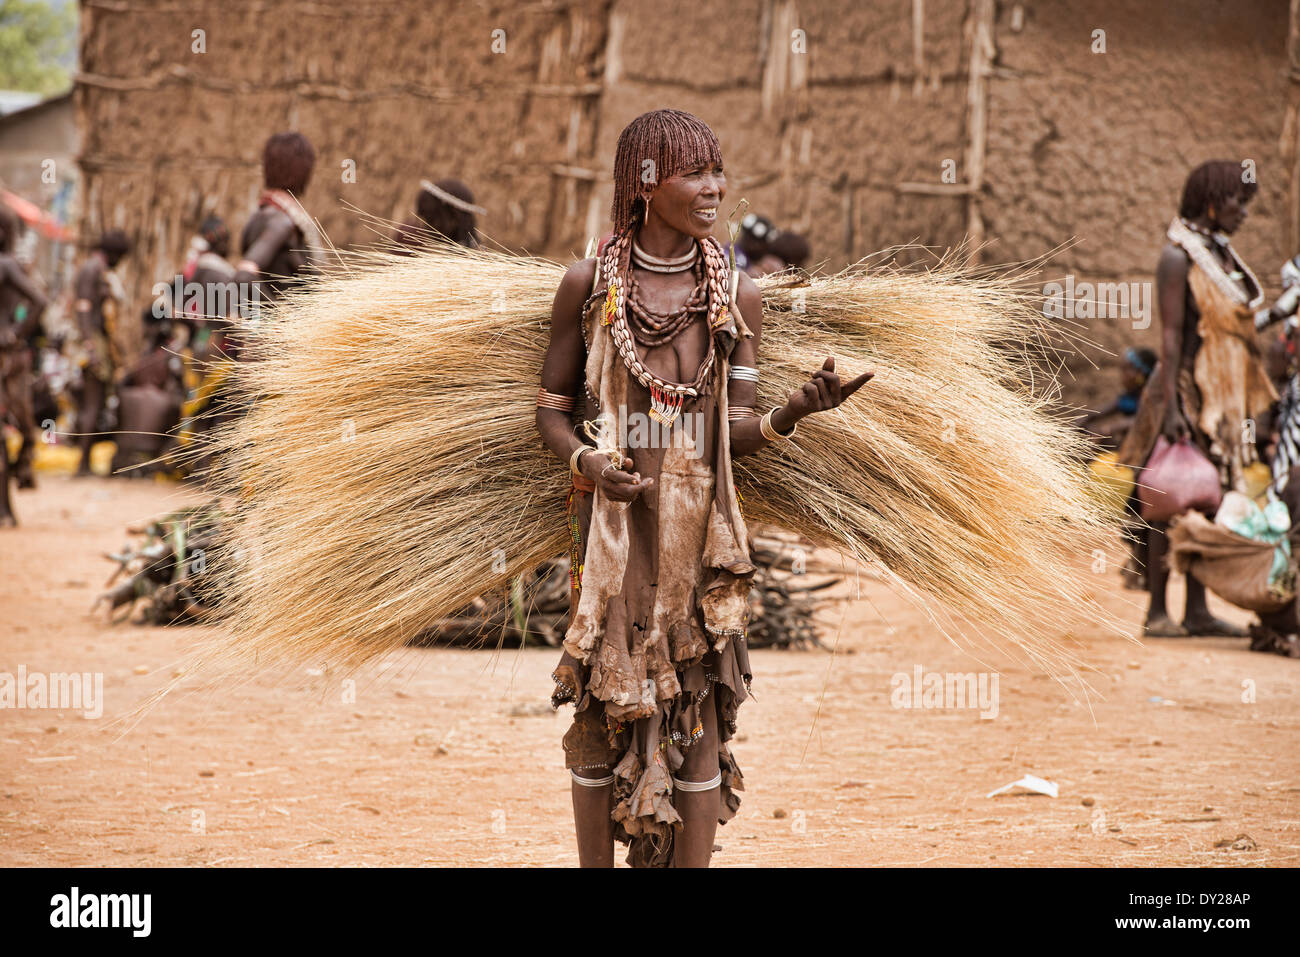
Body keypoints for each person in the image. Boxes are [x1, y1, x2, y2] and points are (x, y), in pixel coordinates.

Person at [536, 109, 872, 868]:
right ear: (647, 184)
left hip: (698, 533)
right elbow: (551, 413)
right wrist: (586, 465)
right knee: (599, 701)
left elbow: (740, 427)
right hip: (612, 535)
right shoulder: (590, 285)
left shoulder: (735, 294)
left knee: (698, 711)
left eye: (719, 170)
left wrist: (793, 412)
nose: (715, 187)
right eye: (696, 173)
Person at [1118, 160, 1276, 638]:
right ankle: (1158, 612)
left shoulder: (1220, 257)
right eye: (1237, 203)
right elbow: (1169, 339)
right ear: (1211, 202)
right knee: (1169, 498)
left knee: (1205, 496)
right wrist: (1171, 407)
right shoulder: (1177, 257)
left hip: (1217, 395)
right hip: (1181, 389)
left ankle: (1197, 609)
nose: (1244, 213)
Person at [234, 132, 320, 332]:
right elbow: (244, 276)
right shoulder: (281, 222)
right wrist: (281, 320)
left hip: (259, 341)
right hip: (279, 348)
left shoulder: (259, 216)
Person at [0, 204, 50, 524]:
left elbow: (39, 301)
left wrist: (15, 332)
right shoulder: (9, 265)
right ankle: (5, 508)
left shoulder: (5, 265)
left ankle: (5, 508)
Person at [71, 229, 131, 477]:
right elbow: (83, 310)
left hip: (98, 342)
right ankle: (83, 464)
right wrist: (90, 347)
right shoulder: (91, 270)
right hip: (92, 343)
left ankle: (86, 462)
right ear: (113, 253)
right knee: (92, 404)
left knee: (95, 403)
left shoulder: (100, 271)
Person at [391, 179, 483, 251]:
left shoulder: (473, 261)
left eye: (431, 220)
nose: (426, 226)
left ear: (454, 217)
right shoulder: (412, 236)